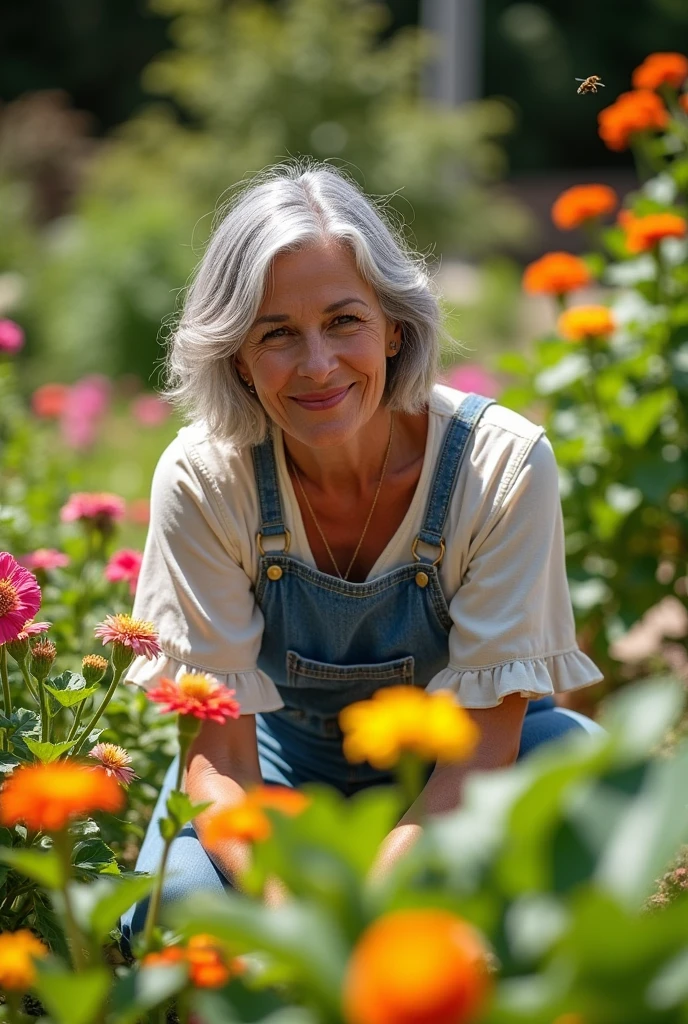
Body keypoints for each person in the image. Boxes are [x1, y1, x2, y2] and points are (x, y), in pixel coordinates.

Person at [120, 162, 603, 945]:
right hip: (278, 776)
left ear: (394, 326)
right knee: (173, 916)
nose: (317, 365)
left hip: (463, 764)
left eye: (345, 320)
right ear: (238, 356)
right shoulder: (207, 478)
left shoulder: (502, 468)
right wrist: (295, 914)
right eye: (277, 333)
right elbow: (223, 756)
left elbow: (481, 751)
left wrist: (368, 909)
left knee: (582, 801)